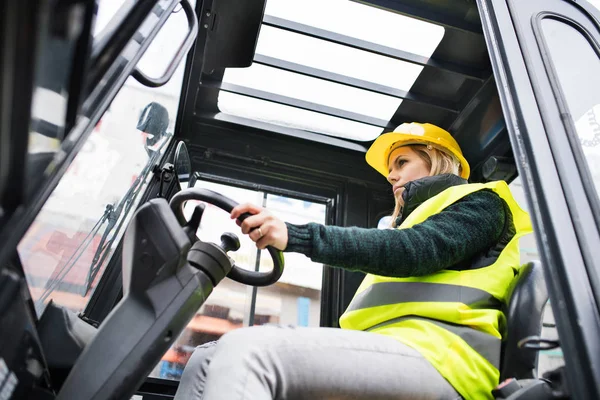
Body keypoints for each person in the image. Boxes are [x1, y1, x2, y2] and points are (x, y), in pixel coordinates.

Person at [173, 122, 532, 400]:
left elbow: (416, 249)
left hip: (445, 360)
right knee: (205, 359)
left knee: (249, 351)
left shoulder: (483, 204)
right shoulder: (414, 221)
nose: (391, 176)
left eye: (401, 163)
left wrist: (297, 236)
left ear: (439, 160)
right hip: (396, 353)